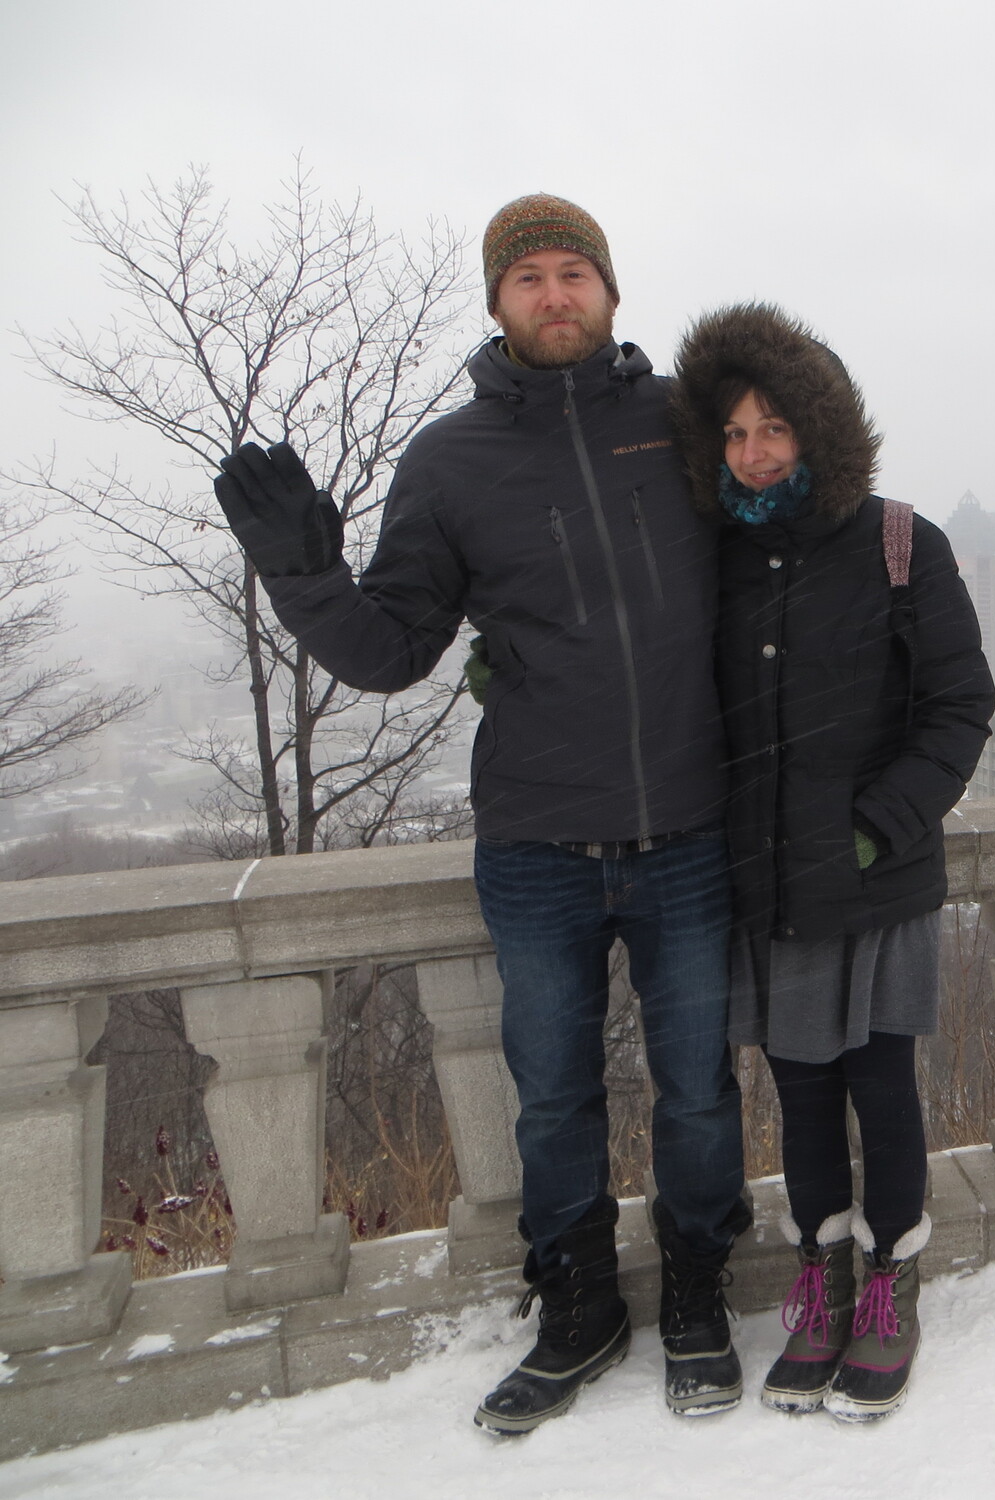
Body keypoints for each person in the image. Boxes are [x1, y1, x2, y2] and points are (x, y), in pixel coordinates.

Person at [209, 195, 752, 1433]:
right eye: (529, 278)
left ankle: (697, 1289)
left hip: (689, 829)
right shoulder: (448, 461)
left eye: (574, 271)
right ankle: (578, 1304)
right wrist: (303, 574)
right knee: (551, 1097)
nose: (554, 294)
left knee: (697, 1090)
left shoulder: (684, 424)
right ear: (498, 301)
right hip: (536, 845)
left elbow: (778, 549)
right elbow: (392, 648)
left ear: (609, 289)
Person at [669, 304, 994, 1422]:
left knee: (880, 1089)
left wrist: (876, 827)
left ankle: (891, 1282)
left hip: (873, 876)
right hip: (765, 881)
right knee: (800, 1094)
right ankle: (822, 1279)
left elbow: (959, 706)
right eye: (734, 433)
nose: (754, 452)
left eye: (774, 427)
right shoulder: (714, 555)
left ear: (820, 427)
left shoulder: (901, 543)